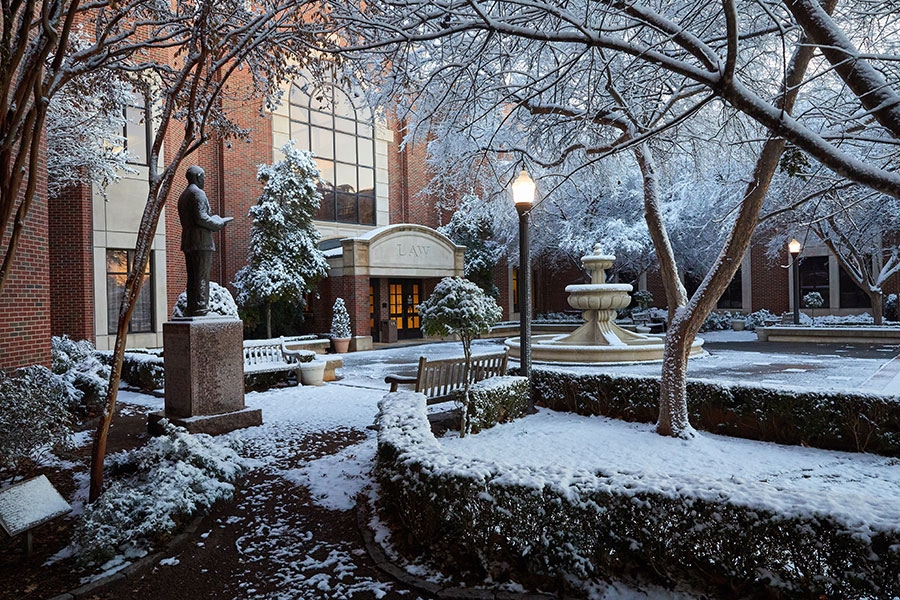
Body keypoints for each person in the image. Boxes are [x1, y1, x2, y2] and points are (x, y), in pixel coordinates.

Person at [178, 166, 232, 317]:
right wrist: (218, 223)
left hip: (189, 241)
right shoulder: (198, 194)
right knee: (201, 276)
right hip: (201, 242)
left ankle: (192, 307)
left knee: (192, 277)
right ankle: (201, 308)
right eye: (204, 177)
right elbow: (201, 218)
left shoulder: (183, 195)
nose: (204, 180)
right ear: (198, 176)